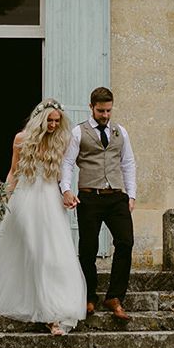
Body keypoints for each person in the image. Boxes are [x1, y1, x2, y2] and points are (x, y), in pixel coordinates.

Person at [0, 99, 86, 336]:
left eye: (57, 121)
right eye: (49, 120)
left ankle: (55, 313)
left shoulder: (61, 140)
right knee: (34, 249)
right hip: (26, 198)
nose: (53, 125)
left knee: (54, 253)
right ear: (39, 120)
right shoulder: (21, 139)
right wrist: (3, 199)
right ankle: (47, 312)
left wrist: (67, 193)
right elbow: (13, 171)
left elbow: (64, 174)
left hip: (51, 200)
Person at [60, 86, 137, 320]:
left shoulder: (120, 131)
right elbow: (67, 163)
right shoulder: (78, 132)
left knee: (125, 242)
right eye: (101, 110)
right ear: (91, 107)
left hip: (116, 197)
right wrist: (66, 190)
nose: (105, 115)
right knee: (88, 249)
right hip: (90, 197)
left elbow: (128, 163)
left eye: (108, 111)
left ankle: (115, 297)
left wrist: (131, 195)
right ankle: (89, 296)